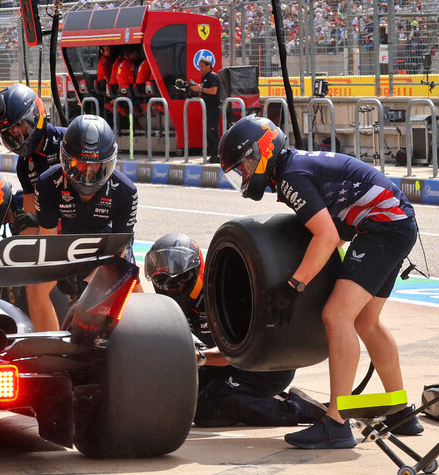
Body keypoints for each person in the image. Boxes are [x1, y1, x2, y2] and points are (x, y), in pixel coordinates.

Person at [218, 116, 424, 449]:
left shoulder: (291, 177)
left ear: (261, 152)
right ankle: (400, 411)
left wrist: (292, 287)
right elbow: (334, 231)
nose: (242, 175)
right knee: (365, 321)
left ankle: (337, 423)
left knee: (336, 316)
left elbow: (327, 237)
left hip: (384, 228)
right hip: (393, 223)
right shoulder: (294, 167)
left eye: (242, 166)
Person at [143, 232, 327, 429]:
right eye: (161, 283)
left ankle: (298, 408)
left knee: (207, 408)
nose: (170, 289)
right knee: (178, 395)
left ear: (196, 272)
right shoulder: (177, 302)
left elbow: (241, 351)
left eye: (176, 282)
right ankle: (247, 396)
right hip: (226, 361)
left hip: (264, 363)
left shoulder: (222, 295)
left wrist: (198, 357)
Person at [0, 83, 65, 330]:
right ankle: (50, 347)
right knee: (32, 282)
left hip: (89, 228)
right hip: (57, 238)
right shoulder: (24, 165)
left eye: (19, 125)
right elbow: (32, 220)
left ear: (36, 113)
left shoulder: (68, 140)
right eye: (9, 132)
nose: (16, 135)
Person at [35, 115, 138, 277]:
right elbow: (49, 244)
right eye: (81, 163)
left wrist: (90, 280)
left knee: (128, 283)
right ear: (66, 158)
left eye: (95, 165)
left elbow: (118, 254)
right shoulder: (47, 184)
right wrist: (62, 274)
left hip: (108, 252)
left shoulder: (126, 192)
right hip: (65, 250)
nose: (88, 171)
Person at [188, 51, 221, 163]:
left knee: (213, 132)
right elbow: (204, 91)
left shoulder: (213, 76)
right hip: (207, 107)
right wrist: (194, 90)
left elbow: (213, 91)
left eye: (202, 66)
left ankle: (216, 155)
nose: (200, 68)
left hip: (214, 107)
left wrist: (200, 89)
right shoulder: (205, 77)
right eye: (199, 66)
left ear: (209, 66)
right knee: (208, 133)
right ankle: (213, 154)